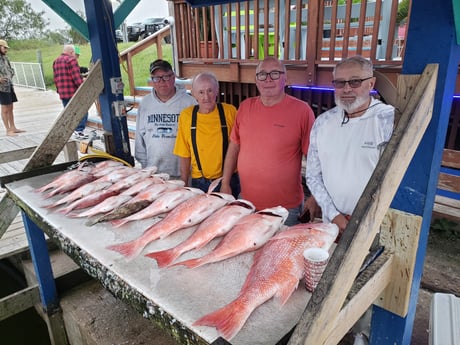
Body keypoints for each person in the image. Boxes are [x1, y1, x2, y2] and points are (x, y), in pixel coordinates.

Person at [221, 57, 316, 226]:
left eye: (274, 73)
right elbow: (234, 145)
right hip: (246, 203)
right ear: (256, 80)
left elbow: (315, 159)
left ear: (285, 79)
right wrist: (226, 182)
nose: (268, 79)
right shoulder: (245, 107)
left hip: (285, 209)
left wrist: (315, 196)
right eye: (262, 75)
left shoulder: (302, 111)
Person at [306, 55, 395, 235]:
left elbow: (395, 177)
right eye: (340, 83)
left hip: (373, 225)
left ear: (371, 84)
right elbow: (313, 176)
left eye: (355, 82)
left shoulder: (388, 120)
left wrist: (365, 217)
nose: (346, 89)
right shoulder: (323, 122)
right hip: (331, 225)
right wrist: (334, 215)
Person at [174, 72, 239, 197]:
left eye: (210, 91)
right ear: (193, 94)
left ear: (217, 91)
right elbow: (184, 153)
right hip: (199, 182)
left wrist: (226, 182)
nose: (206, 97)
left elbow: (236, 148)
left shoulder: (230, 112)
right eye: (201, 92)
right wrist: (184, 182)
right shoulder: (186, 116)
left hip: (228, 179)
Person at [135, 59, 196, 177]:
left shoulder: (189, 103)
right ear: (152, 81)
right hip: (153, 173)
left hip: (184, 174)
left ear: (173, 77)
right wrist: (145, 167)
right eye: (157, 78)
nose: (162, 82)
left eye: (166, 77)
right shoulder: (145, 103)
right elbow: (139, 138)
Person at [53, 44, 88, 139]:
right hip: (73, 91)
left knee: (68, 112)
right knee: (82, 110)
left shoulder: (56, 61)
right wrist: (83, 83)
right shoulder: (71, 60)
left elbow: (55, 78)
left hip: (63, 92)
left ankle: (71, 131)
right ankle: (79, 131)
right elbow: (76, 78)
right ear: (72, 52)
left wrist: (58, 90)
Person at [0, 39, 24, 136]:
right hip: (1, 88)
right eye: (4, 47)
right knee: (4, 108)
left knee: (10, 107)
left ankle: (13, 127)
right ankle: (8, 130)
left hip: (9, 84)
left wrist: (11, 73)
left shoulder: (5, 58)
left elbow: (9, 68)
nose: (6, 49)